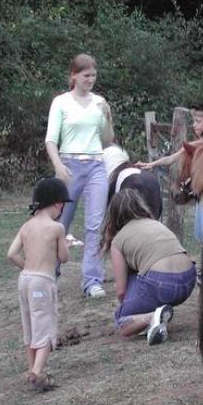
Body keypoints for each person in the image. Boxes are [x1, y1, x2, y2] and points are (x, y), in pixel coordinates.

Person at [45, 53, 114, 298]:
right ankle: (49, 272)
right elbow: (51, 140)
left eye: (94, 75)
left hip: (96, 165)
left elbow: (107, 141)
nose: (91, 80)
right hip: (69, 165)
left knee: (95, 225)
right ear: (73, 75)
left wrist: (107, 116)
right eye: (86, 75)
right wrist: (59, 166)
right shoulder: (61, 102)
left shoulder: (100, 102)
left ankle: (92, 281)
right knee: (60, 222)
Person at [101, 189, 197, 345]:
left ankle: (152, 316)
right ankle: (155, 318)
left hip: (161, 285)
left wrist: (128, 305)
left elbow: (121, 291)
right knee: (142, 278)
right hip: (188, 281)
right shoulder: (155, 224)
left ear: (113, 215)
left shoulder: (118, 240)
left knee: (121, 321)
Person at [6, 177, 71, 392]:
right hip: (43, 282)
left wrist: (28, 266)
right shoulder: (57, 228)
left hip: (24, 280)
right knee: (45, 326)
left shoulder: (26, 226)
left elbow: (11, 254)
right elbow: (64, 257)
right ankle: (36, 372)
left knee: (30, 326)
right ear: (58, 204)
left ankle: (34, 368)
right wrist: (66, 244)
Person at [136, 101, 203, 242]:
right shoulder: (194, 145)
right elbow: (171, 158)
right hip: (202, 197)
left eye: (197, 121)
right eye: (193, 121)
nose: (194, 125)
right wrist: (151, 164)